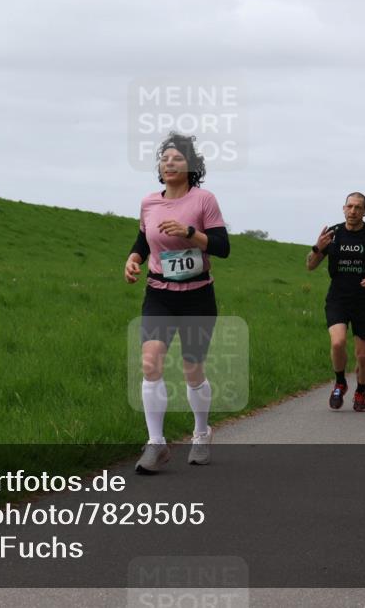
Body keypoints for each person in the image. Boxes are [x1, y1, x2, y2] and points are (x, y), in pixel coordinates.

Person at [124, 133, 230, 473]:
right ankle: (156, 444)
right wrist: (133, 258)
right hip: (159, 293)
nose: (169, 163)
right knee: (150, 361)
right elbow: (144, 237)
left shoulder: (204, 200)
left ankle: (201, 433)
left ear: (191, 166)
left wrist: (190, 233)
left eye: (177, 159)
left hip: (198, 295)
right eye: (164, 159)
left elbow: (221, 246)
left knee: (191, 369)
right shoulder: (149, 203)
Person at [307, 192, 365, 412]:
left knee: (362, 355)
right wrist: (317, 247)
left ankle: (361, 391)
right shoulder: (333, 234)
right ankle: (340, 382)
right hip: (338, 298)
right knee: (337, 343)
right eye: (350, 206)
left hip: (364, 301)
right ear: (343, 208)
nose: (353, 211)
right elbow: (310, 265)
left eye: (358, 207)